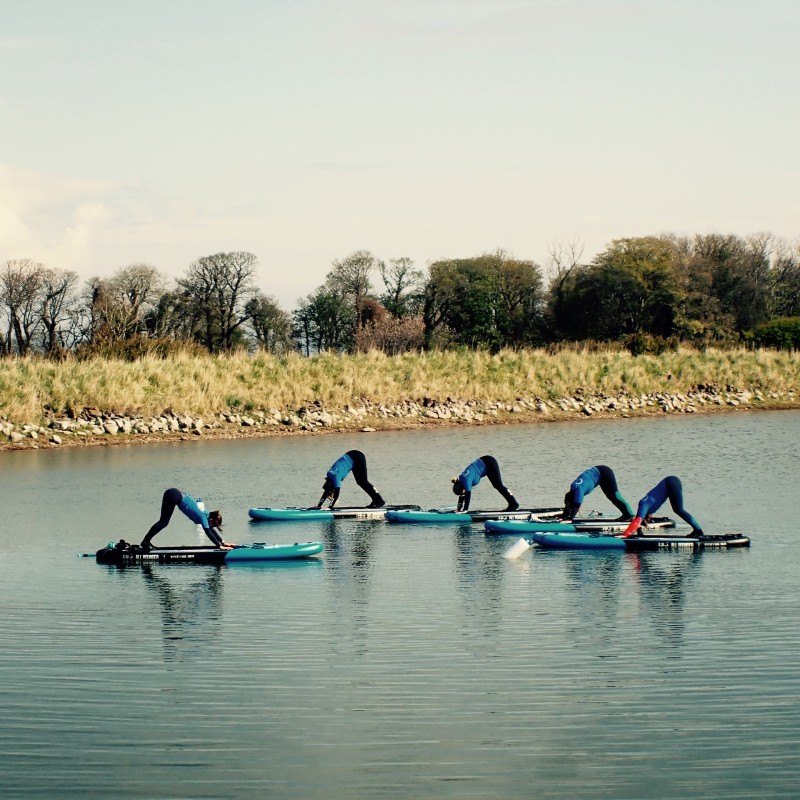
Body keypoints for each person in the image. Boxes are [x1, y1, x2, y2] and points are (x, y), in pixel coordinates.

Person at [141, 488, 234, 550]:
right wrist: (219, 546)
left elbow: (211, 530)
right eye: (213, 524)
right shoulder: (203, 517)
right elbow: (208, 532)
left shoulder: (206, 515)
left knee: (163, 522)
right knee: (164, 522)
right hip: (174, 495)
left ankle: (146, 541)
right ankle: (145, 542)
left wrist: (223, 542)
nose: (212, 526)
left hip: (174, 493)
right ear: (211, 520)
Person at [622, 476, 704, 538]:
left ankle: (699, 532)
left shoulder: (643, 504)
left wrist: (625, 535)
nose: (650, 519)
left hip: (670, 482)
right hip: (673, 482)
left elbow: (637, 521)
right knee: (678, 509)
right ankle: (697, 530)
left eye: (648, 520)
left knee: (679, 510)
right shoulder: (649, 509)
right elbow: (639, 522)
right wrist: (640, 532)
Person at [317, 450, 384, 509]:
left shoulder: (335, 478)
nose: (330, 493)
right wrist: (319, 506)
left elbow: (336, 495)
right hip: (352, 456)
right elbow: (327, 491)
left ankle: (380, 501)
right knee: (360, 482)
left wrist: (330, 507)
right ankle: (375, 500)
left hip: (357, 458)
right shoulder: (330, 475)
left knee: (363, 481)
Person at [563, 465, 634, 521]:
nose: (568, 506)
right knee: (610, 497)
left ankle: (631, 516)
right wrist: (564, 516)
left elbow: (576, 506)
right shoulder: (572, 490)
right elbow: (569, 505)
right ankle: (625, 515)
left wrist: (570, 519)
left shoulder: (579, 490)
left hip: (604, 472)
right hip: (597, 474)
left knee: (615, 496)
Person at [451, 455, 519, 512]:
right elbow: (462, 495)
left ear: (462, 487)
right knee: (496, 485)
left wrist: (465, 510)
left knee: (498, 485)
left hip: (489, 463)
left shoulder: (466, 480)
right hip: (485, 463)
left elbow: (468, 495)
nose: (463, 493)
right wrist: (458, 509)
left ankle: (513, 504)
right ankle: (512, 504)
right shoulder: (461, 482)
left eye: (463, 492)